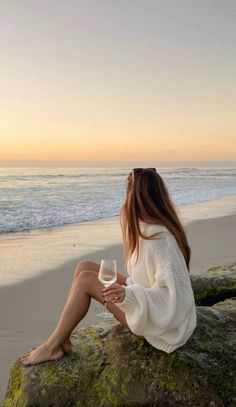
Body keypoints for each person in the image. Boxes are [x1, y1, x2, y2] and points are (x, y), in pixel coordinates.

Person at [21, 168, 197, 365]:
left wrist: (128, 295)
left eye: (127, 193)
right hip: (147, 304)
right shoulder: (146, 228)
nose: (125, 200)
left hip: (162, 326)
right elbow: (146, 280)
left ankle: (52, 347)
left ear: (136, 198)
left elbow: (172, 296)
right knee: (84, 266)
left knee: (86, 281)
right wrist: (130, 291)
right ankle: (64, 339)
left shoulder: (160, 240)